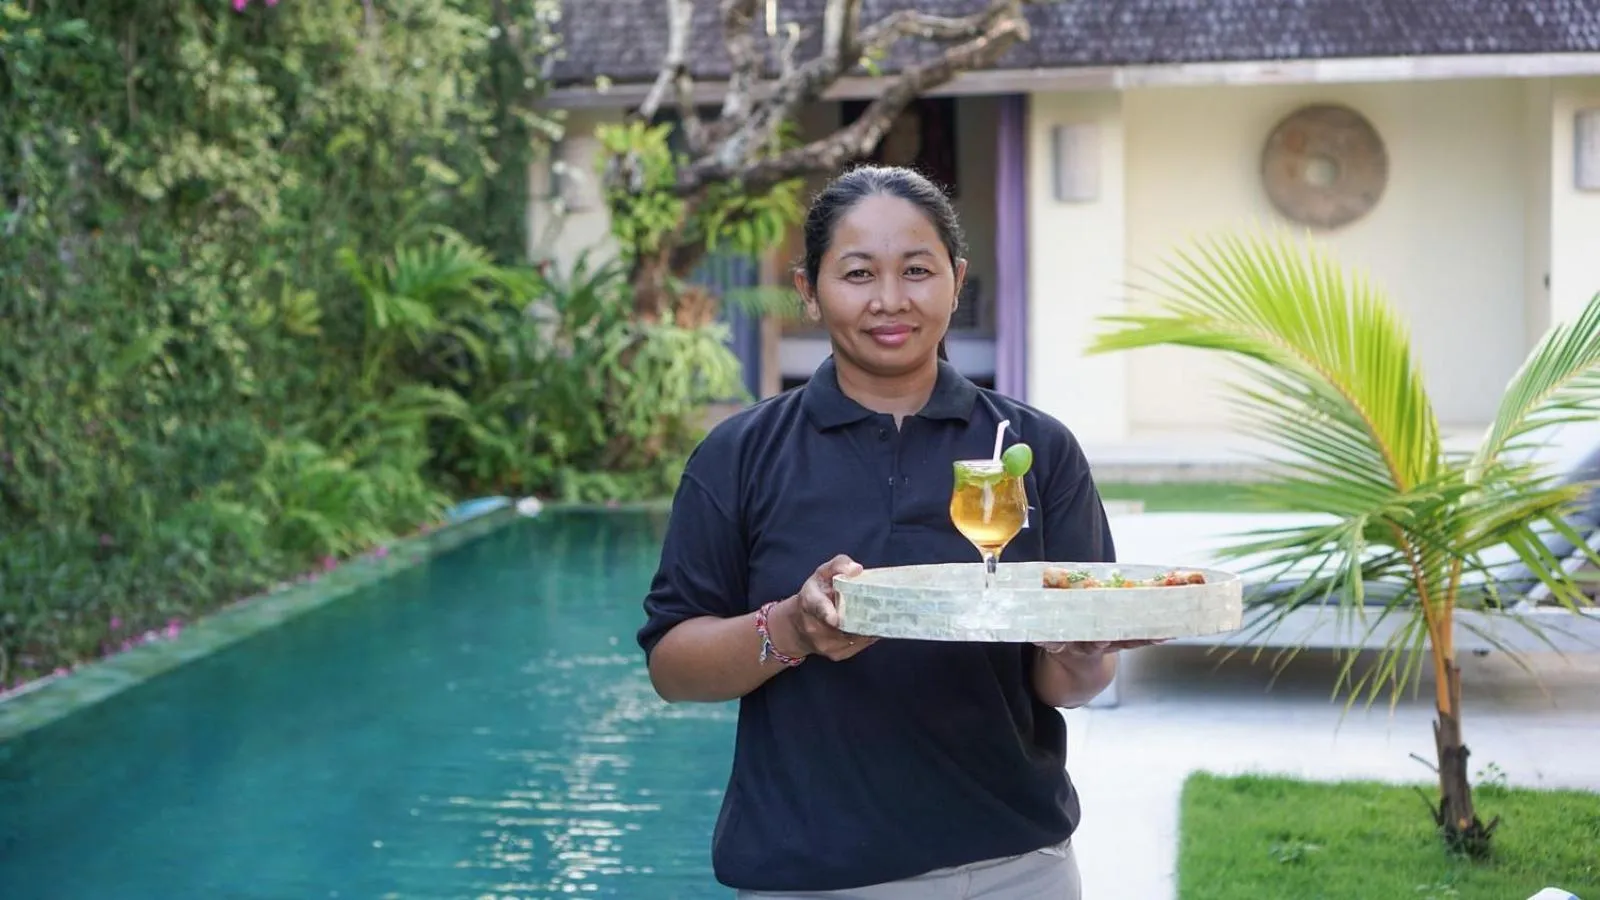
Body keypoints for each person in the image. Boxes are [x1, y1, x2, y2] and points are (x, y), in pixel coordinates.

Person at [637, 165, 1152, 899]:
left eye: (917, 270)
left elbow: (1071, 682)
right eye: (856, 273)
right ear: (808, 289)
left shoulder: (1034, 449)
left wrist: (1080, 650)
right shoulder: (740, 455)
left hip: (1014, 867)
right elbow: (672, 666)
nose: (889, 300)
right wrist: (791, 628)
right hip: (811, 876)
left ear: (956, 278)